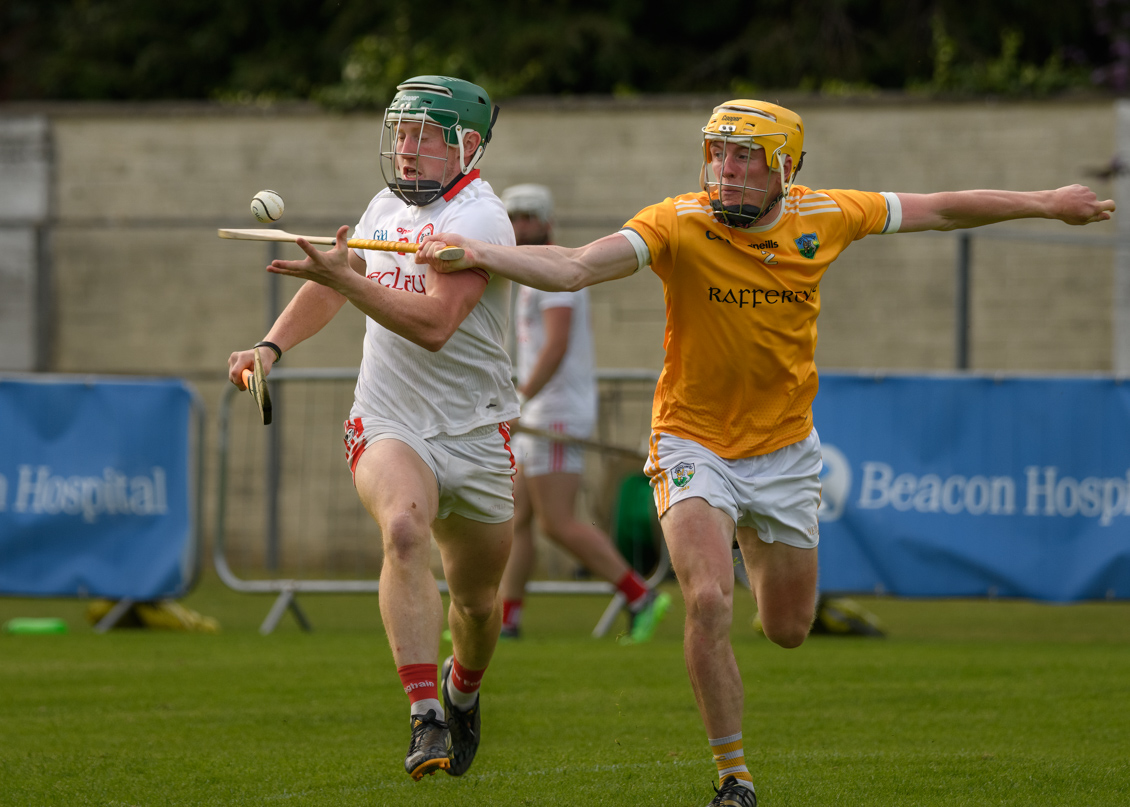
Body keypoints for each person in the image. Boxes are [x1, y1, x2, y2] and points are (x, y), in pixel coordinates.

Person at [415, 99, 1115, 807]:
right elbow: (572, 266)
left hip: (783, 452)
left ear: (785, 166)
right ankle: (733, 777)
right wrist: (480, 253)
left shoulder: (828, 216)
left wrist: (1046, 202)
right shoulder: (677, 221)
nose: (729, 168)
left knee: (787, 628)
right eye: (719, 152)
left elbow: (941, 207)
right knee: (710, 599)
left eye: (746, 155)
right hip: (692, 440)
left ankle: (749, 541)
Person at [227, 75, 519, 784]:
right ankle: (425, 715)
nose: (407, 149)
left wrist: (349, 280)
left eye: (426, 136)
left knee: (479, 605)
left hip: (476, 434)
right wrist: (270, 346)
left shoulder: (481, 221)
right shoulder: (385, 206)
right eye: (401, 132)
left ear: (469, 146)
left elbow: (435, 326)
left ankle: (462, 690)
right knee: (404, 531)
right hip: (389, 419)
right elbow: (341, 277)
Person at [498, 183, 671, 643]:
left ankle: (641, 595)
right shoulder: (525, 271)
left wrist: (521, 398)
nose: (520, 227)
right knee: (515, 519)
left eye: (529, 218)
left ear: (547, 222)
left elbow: (555, 345)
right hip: (539, 407)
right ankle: (505, 618)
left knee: (557, 521)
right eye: (513, 218)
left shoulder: (552, 271)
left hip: (554, 412)